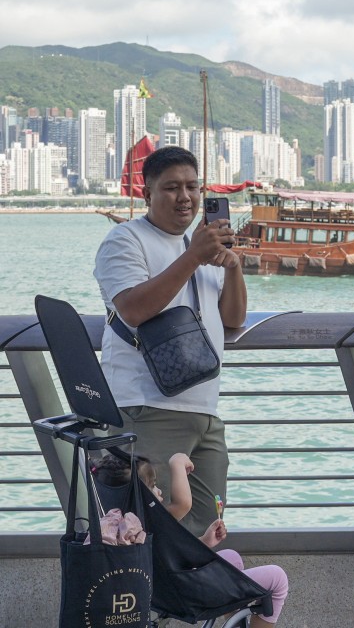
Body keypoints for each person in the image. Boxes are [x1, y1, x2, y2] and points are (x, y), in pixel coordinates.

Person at [94, 146, 246, 536]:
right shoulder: (125, 240)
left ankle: (189, 598)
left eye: (193, 187)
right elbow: (131, 308)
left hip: (204, 413)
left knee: (204, 532)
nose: (186, 197)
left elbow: (233, 319)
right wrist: (194, 256)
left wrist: (232, 268)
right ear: (147, 194)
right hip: (146, 408)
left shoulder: (200, 246)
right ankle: (140, 600)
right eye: (172, 187)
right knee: (139, 533)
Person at [92, 453, 289, 627]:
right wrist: (176, 462)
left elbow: (168, 560)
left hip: (165, 595)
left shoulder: (120, 526)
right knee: (277, 577)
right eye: (152, 486)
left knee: (231, 557)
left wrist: (204, 541)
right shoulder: (149, 521)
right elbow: (183, 503)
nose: (159, 491)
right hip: (188, 597)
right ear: (139, 496)